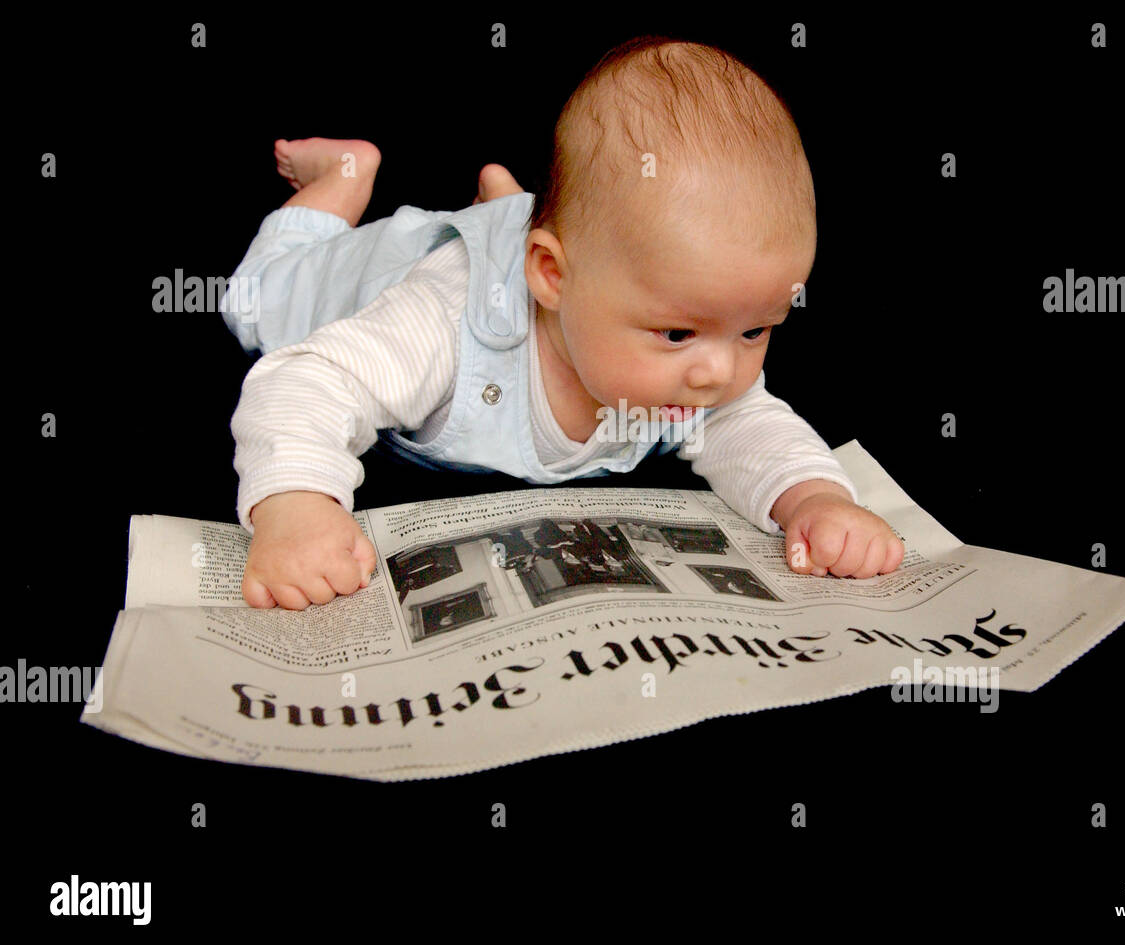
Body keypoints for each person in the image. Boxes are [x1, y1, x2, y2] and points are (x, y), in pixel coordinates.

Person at [227, 36, 906, 611]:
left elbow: (749, 426)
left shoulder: (684, 342)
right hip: (357, 279)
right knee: (255, 301)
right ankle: (343, 177)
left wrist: (813, 499)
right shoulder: (444, 322)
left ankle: (509, 208)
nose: (718, 372)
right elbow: (302, 382)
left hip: (543, 254)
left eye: (756, 331)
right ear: (550, 275)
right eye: (676, 334)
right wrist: (295, 505)